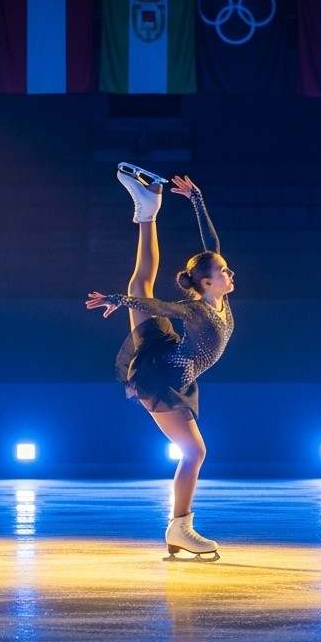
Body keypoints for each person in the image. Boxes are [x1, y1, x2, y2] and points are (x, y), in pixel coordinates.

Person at [86, 164, 235, 561]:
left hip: (177, 367)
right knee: (195, 453)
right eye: (222, 272)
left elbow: (212, 243)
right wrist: (120, 302)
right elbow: (159, 305)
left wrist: (197, 201)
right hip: (164, 374)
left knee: (140, 281)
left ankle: (147, 211)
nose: (228, 272)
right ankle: (180, 526)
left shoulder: (220, 299)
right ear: (206, 283)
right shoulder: (197, 309)